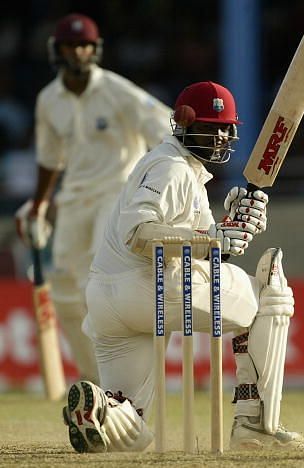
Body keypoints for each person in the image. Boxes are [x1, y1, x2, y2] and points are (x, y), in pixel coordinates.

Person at [61, 81, 303, 453]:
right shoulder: (171, 168)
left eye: (226, 129)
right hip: (150, 287)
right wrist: (214, 238)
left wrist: (231, 226)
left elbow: (207, 248)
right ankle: (254, 423)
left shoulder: (183, 170)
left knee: (132, 434)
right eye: (210, 127)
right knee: (269, 294)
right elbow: (139, 233)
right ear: (184, 126)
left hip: (109, 302)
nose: (221, 137)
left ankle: (101, 411)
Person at [14, 13, 172, 384]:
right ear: (57, 50)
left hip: (116, 194)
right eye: (71, 45)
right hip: (73, 199)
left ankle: (121, 377)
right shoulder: (48, 100)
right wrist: (38, 205)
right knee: (66, 292)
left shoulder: (119, 92)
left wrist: (156, 187)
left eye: (85, 45)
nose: (79, 52)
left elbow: (166, 131)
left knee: (95, 279)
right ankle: (92, 379)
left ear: (95, 49)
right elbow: (50, 159)